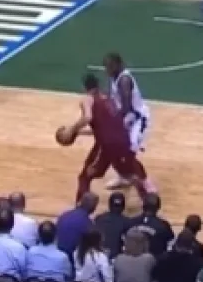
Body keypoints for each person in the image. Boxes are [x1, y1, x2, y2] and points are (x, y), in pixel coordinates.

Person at [64, 74, 150, 202]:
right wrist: (79, 132)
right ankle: (148, 202)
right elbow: (105, 128)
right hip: (123, 140)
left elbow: (87, 117)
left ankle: (80, 206)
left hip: (106, 145)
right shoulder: (109, 99)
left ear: (84, 87)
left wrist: (72, 129)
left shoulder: (88, 99)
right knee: (130, 174)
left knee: (85, 176)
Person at [102, 53, 154, 192]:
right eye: (106, 66)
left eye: (110, 66)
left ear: (118, 65)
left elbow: (126, 107)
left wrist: (112, 120)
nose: (107, 69)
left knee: (129, 155)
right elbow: (110, 97)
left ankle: (147, 184)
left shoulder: (124, 80)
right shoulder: (113, 78)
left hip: (137, 119)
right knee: (114, 148)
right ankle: (123, 177)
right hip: (126, 119)